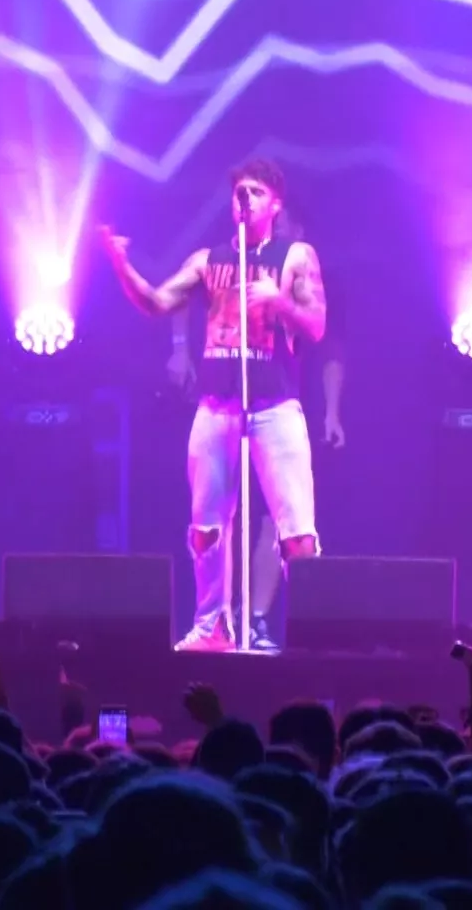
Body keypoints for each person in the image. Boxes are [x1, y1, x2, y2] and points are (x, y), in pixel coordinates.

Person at [101, 158, 327, 653]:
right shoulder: (210, 259)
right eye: (237, 192)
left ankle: (309, 631)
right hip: (217, 407)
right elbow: (158, 303)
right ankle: (213, 627)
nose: (242, 199)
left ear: (274, 203)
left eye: (253, 192)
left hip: (274, 405)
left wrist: (279, 300)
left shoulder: (295, 256)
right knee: (205, 527)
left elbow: (316, 325)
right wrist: (121, 266)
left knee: (296, 531)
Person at [167, 203, 345, 652]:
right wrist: (180, 347)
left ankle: (268, 617)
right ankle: (218, 623)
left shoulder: (301, 271)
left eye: (282, 229)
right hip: (227, 403)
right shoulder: (227, 264)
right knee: (214, 520)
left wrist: (332, 414)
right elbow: (180, 296)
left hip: (282, 404)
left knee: (283, 525)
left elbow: (331, 350)